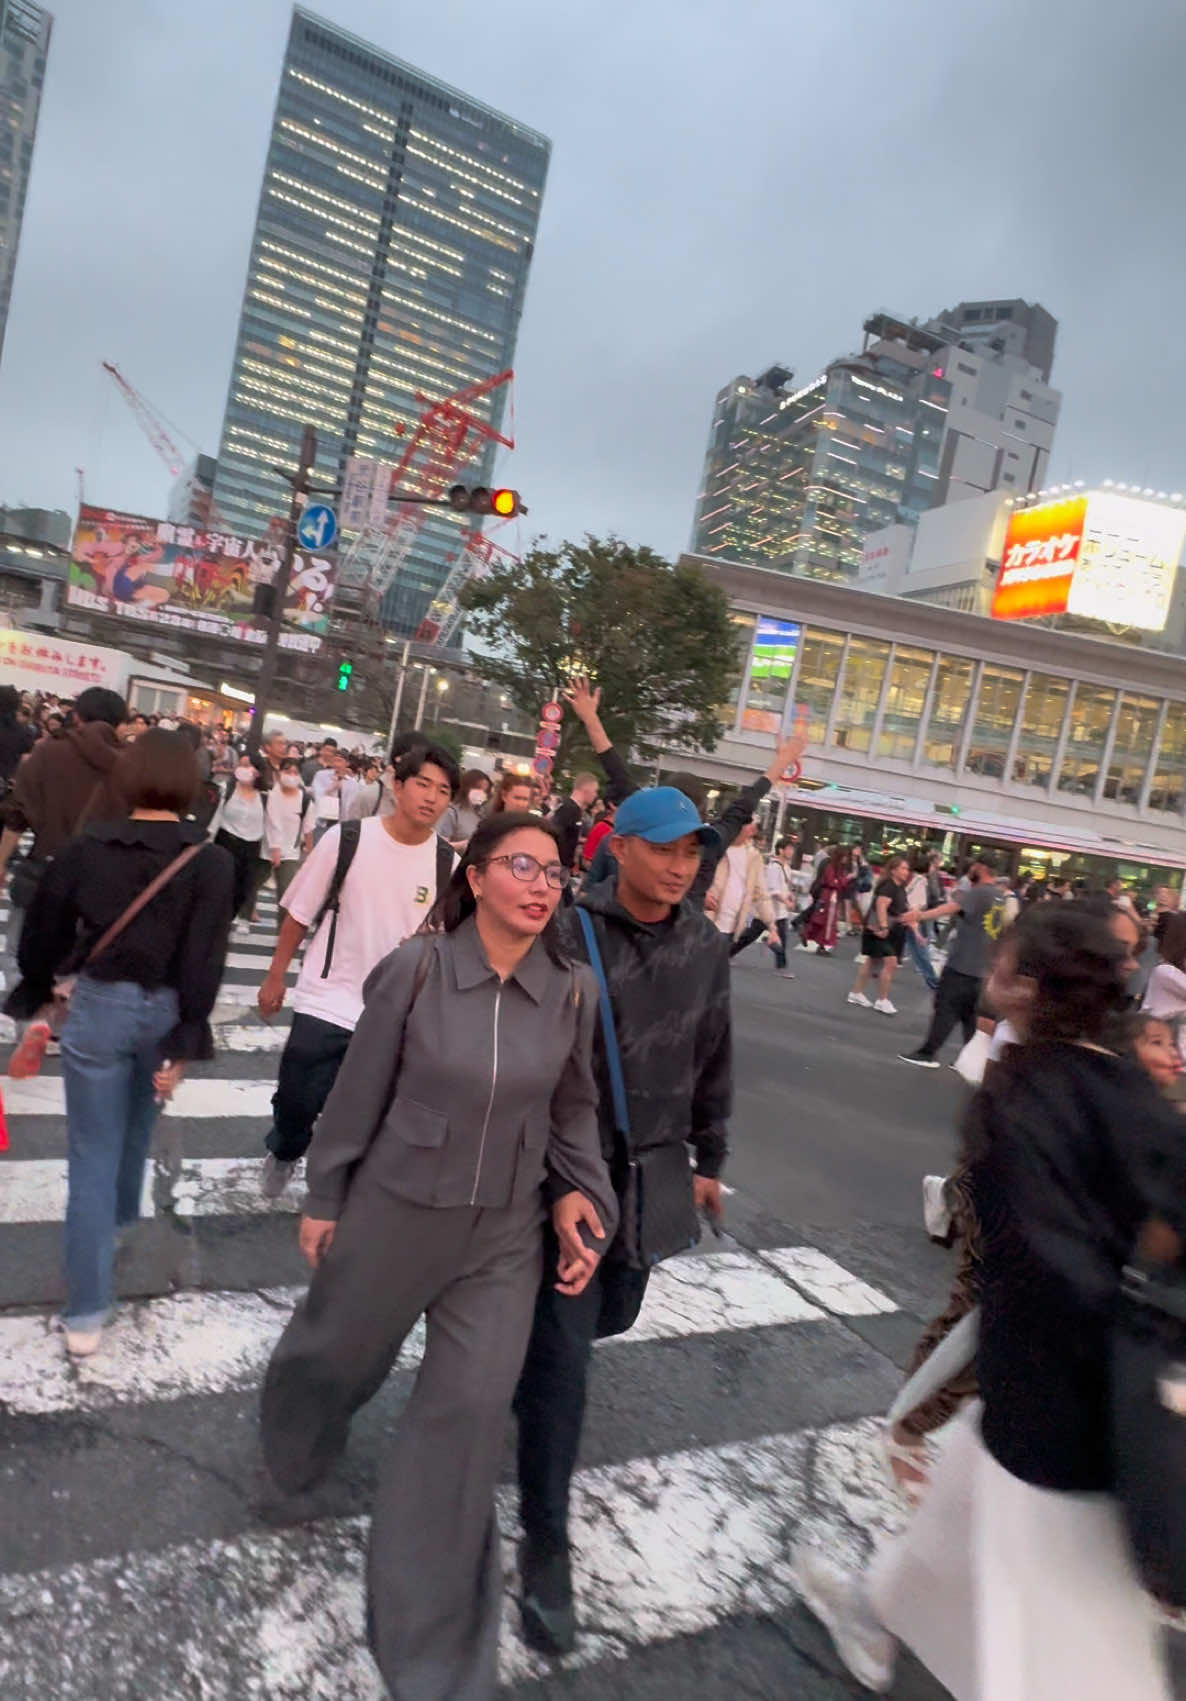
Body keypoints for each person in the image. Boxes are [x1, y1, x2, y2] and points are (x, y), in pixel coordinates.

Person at [259, 813, 618, 1701]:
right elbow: (358, 1088)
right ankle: (295, 1441)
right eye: (522, 866)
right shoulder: (418, 971)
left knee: (462, 1420)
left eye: (555, 871)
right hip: (394, 1210)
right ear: (479, 875)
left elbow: (573, 1109)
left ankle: (434, 1655)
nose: (543, 884)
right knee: (336, 1353)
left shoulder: (572, 992)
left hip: (502, 1237)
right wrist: (325, 1192)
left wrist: (584, 1192)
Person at [793, 902, 1185, 1700]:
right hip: (1092, 1387)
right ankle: (874, 1615)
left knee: (1048, 1632)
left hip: (1052, 1410)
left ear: (1027, 988)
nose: (990, 973)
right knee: (954, 1522)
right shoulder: (1131, 1086)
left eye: (1003, 962)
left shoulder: (1015, 1096)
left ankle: (879, 1620)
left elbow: (1037, 1263)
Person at [513, 786, 732, 1656]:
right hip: (565, 1168)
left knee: (609, 1314)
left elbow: (715, 1046)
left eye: (694, 854)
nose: (681, 867)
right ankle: (547, 1542)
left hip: (653, 1169)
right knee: (565, 1355)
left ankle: (525, 1383)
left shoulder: (707, 945)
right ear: (625, 848)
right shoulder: (570, 928)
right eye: (667, 849)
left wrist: (711, 1156)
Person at [4, 730, 233, 1356]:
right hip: (164, 1011)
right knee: (139, 1125)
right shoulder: (209, 861)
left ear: (125, 777)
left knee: (91, 1153)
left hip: (100, 1005)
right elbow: (205, 958)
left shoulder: (86, 849)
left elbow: (43, 930)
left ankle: (85, 1313)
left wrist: (42, 986)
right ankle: (123, 1221)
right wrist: (187, 1036)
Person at [256, 743, 460, 1198]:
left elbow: (451, 944)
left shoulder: (449, 865)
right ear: (398, 784)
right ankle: (287, 1147)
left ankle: (337, 1191)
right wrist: (275, 977)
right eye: (422, 784)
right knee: (297, 1097)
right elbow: (299, 914)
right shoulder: (348, 839)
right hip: (328, 994)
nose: (431, 797)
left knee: (368, 1111)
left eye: (443, 790)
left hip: (395, 1010)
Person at [565, 675, 805, 905]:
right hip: (681, 941)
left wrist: (591, 719)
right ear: (700, 810)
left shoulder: (649, 819)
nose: (679, 869)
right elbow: (748, 800)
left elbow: (616, 769)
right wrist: (782, 762)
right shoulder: (712, 842)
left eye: (689, 853)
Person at [898, 853, 1007, 1067]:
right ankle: (970, 1060)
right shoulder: (999, 896)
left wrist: (918, 916)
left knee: (946, 1008)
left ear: (982, 868)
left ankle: (928, 1053)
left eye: (975, 865)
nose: (972, 868)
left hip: (962, 965)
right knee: (969, 1016)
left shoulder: (979, 892)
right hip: (981, 968)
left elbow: (951, 908)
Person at [848, 853, 916, 1016]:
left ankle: (856, 993)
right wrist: (884, 926)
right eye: (903, 868)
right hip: (878, 930)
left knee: (872, 961)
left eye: (907, 869)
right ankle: (882, 1000)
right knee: (890, 963)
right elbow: (881, 906)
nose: (906, 871)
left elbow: (901, 909)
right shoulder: (888, 886)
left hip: (888, 930)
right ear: (893, 870)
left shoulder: (899, 887)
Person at [706, 819, 779, 957]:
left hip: (731, 929)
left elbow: (761, 895)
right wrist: (702, 895)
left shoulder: (753, 857)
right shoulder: (715, 845)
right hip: (706, 921)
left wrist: (772, 927)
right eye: (749, 823)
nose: (752, 829)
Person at [211, 755, 267, 931]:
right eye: (240, 765)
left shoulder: (265, 798)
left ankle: (227, 919)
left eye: (247, 765)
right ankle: (215, 922)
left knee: (242, 890)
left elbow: (270, 826)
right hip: (226, 841)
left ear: (257, 772)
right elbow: (216, 817)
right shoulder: (226, 789)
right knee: (221, 885)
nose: (242, 768)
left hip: (250, 848)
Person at [802, 845, 851, 957]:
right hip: (827, 896)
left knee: (824, 922)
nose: (846, 859)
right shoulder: (831, 866)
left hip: (832, 897)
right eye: (844, 856)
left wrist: (841, 881)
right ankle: (819, 944)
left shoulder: (838, 868)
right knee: (824, 921)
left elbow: (837, 882)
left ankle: (813, 938)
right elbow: (831, 882)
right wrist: (843, 881)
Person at [549, 772, 599, 872]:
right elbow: (557, 835)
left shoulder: (570, 807)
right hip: (558, 867)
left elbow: (568, 834)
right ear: (586, 790)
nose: (596, 795)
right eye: (595, 791)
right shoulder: (570, 809)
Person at [764, 836, 798, 977]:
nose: (791, 852)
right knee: (748, 935)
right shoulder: (774, 867)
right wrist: (787, 901)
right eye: (789, 849)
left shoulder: (787, 868)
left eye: (792, 849)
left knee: (783, 938)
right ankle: (728, 952)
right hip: (770, 909)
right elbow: (773, 891)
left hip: (781, 911)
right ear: (780, 850)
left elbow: (785, 886)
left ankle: (781, 967)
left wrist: (791, 895)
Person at [439, 768, 492, 850]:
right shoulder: (452, 812)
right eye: (478, 788)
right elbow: (440, 846)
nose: (481, 793)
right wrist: (463, 845)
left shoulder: (481, 812)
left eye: (485, 791)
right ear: (467, 787)